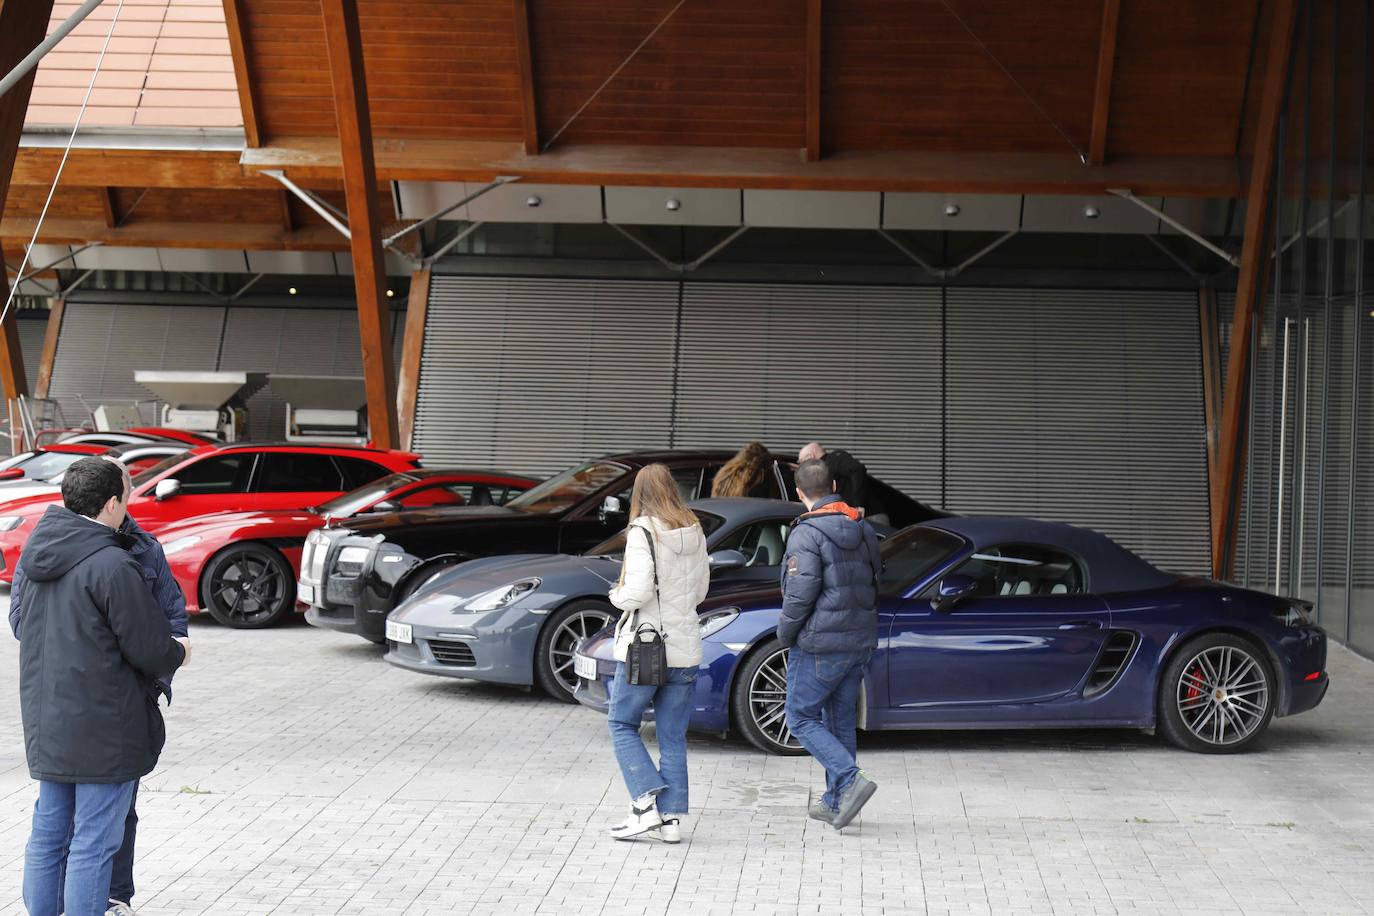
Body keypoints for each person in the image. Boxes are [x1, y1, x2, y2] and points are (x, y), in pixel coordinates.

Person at [10, 458, 188, 916]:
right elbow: (150, 647)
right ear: (112, 503)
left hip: (47, 718)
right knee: (93, 841)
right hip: (105, 726)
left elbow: (19, 624)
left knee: (48, 834)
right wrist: (181, 652)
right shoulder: (112, 564)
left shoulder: (34, 556)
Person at [605, 463, 710, 843]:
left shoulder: (642, 531)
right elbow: (700, 591)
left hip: (647, 647)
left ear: (640, 493)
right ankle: (671, 823)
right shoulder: (694, 529)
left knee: (621, 723)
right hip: (685, 648)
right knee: (672, 737)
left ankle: (644, 805)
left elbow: (637, 592)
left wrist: (615, 596)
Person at [778, 459, 882, 831]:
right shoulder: (862, 525)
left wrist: (786, 634)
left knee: (800, 716)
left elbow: (800, 593)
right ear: (835, 484)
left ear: (799, 493)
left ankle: (850, 780)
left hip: (819, 643)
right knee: (839, 721)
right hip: (858, 639)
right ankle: (836, 802)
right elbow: (873, 579)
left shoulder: (805, 533)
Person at [798, 442, 884, 522]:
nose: (802, 466)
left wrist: (859, 505)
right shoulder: (827, 467)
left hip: (871, 517)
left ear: (811, 456)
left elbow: (858, 469)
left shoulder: (834, 459)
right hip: (863, 518)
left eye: (801, 462)